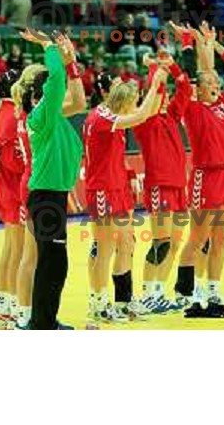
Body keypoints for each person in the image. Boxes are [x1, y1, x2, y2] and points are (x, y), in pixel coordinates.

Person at [173, 22, 224, 318]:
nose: (217, 87)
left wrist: (212, 43)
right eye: (211, 85)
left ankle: (214, 290)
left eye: (218, 85)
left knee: (221, 238)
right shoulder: (192, 108)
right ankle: (189, 293)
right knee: (199, 238)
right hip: (207, 176)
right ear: (198, 89)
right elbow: (198, 73)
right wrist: (189, 42)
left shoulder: (222, 105)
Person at [83, 64, 166, 327]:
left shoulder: (113, 115)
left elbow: (147, 111)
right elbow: (142, 115)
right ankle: (98, 303)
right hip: (102, 189)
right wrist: (154, 85)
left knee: (127, 244)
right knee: (105, 248)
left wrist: (160, 82)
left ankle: (123, 300)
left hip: (118, 187)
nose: (134, 104)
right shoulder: (101, 117)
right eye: (131, 99)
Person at [15, 29, 86, 329]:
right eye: (50, 92)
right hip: (44, 194)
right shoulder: (41, 115)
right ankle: (41, 324)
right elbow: (56, 83)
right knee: (51, 261)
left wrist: (71, 63)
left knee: (52, 261)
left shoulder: (51, 115)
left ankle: (43, 321)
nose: (59, 95)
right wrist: (48, 47)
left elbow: (80, 100)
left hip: (51, 194)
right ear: (38, 95)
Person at [133, 49, 193, 313]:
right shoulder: (143, 122)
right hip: (160, 186)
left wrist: (173, 67)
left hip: (179, 186)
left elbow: (184, 91)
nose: (165, 98)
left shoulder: (171, 116)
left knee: (176, 242)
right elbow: (155, 89)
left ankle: (159, 291)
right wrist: (154, 70)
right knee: (161, 242)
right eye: (161, 95)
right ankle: (147, 292)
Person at [0, 70, 26, 329]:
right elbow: (13, 160)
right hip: (13, 190)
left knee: (10, 249)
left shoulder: (2, 112)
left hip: (4, 189)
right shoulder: (12, 117)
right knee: (18, 251)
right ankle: (11, 307)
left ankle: (2, 304)